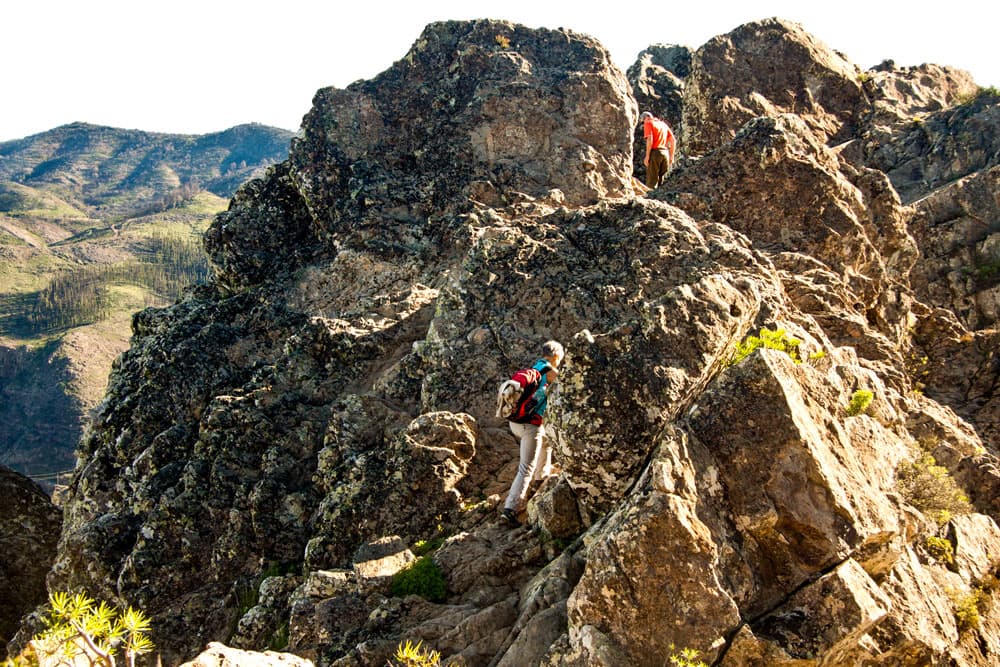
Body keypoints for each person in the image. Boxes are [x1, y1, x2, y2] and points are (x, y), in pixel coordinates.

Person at [501, 340, 564, 527]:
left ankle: (541, 478)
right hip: (531, 426)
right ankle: (510, 509)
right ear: (556, 356)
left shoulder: (534, 368)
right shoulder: (550, 371)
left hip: (516, 423)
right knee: (525, 466)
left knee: (546, 442)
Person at [640, 111, 677, 189]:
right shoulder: (663, 125)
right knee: (661, 181)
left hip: (655, 153)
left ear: (646, 118)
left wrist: (647, 156)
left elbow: (650, 139)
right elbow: (673, 140)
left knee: (651, 181)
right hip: (665, 153)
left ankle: (649, 200)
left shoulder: (649, 123)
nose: (644, 124)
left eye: (643, 122)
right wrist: (671, 157)